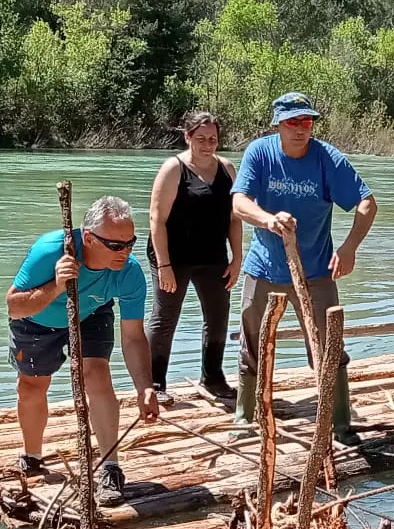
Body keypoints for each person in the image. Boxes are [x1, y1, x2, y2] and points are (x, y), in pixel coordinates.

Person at [230, 92, 378, 444]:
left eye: (307, 122)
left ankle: (339, 421)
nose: (301, 129)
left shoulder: (327, 158)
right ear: (278, 125)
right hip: (263, 268)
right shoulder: (260, 153)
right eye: (293, 122)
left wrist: (349, 247)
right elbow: (238, 203)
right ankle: (244, 415)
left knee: (328, 344)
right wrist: (268, 220)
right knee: (253, 340)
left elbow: (367, 203)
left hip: (315, 271)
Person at [5, 195, 161, 504]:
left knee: (97, 374)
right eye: (116, 245)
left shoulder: (129, 274)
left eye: (130, 243)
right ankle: (32, 455)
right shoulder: (50, 250)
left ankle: (110, 468)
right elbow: (13, 306)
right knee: (32, 386)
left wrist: (145, 386)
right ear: (88, 238)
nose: (125, 252)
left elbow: (133, 337)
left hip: (91, 312)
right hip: (39, 318)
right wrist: (57, 286)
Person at [146, 110, 244, 406]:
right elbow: (156, 219)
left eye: (213, 138)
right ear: (187, 137)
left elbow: (235, 218)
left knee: (217, 318)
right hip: (172, 257)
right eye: (200, 138)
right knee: (165, 318)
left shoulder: (227, 168)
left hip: (213, 256)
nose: (207, 144)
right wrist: (163, 265)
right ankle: (155, 383)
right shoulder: (173, 168)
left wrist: (237, 258)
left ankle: (213, 377)